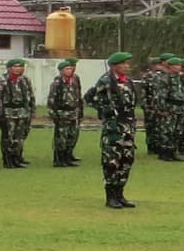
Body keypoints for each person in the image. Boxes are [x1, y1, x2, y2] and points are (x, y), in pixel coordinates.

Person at [85, 51, 139, 210]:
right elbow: (90, 98)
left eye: (127, 63)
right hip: (114, 127)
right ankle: (110, 197)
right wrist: (105, 111)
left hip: (128, 125)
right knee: (112, 161)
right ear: (114, 66)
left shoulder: (128, 81)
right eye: (123, 64)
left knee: (126, 160)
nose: (127, 66)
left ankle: (120, 194)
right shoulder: (105, 81)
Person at [0, 57, 36, 168]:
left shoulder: (25, 80)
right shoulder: (2, 80)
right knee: (9, 136)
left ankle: (17, 157)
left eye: (21, 66)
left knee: (20, 136)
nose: (19, 69)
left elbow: (30, 95)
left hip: (22, 111)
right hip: (8, 112)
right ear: (9, 68)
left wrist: (32, 110)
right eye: (16, 66)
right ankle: (8, 160)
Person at [46, 58, 83, 165]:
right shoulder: (57, 83)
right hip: (62, 113)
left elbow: (78, 96)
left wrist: (80, 110)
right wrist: (53, 115)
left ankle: (68, 157)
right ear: (61, 70)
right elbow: (51, 100)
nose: (69, 71)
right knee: (61, 137)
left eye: (70, 68)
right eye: (67, 69)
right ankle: (59, 159)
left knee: (72, 136)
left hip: (73, 112)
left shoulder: (74, 80)